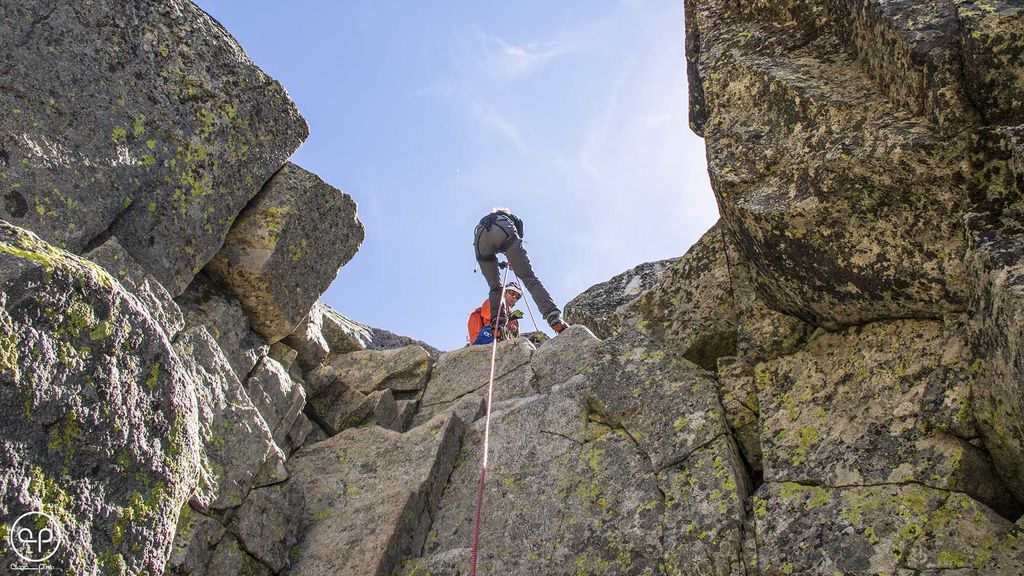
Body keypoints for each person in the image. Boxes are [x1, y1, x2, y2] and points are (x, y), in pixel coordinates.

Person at [473, 208, 568, 334]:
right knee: (530, 279)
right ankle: (553, 317)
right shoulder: (509, 216)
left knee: (495, 287)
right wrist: (513, 259)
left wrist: (504, 263)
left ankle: (497, 325)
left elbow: (493, 256)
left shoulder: (486, 219)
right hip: (503, 230)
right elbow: (517, 237)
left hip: (480, 238)